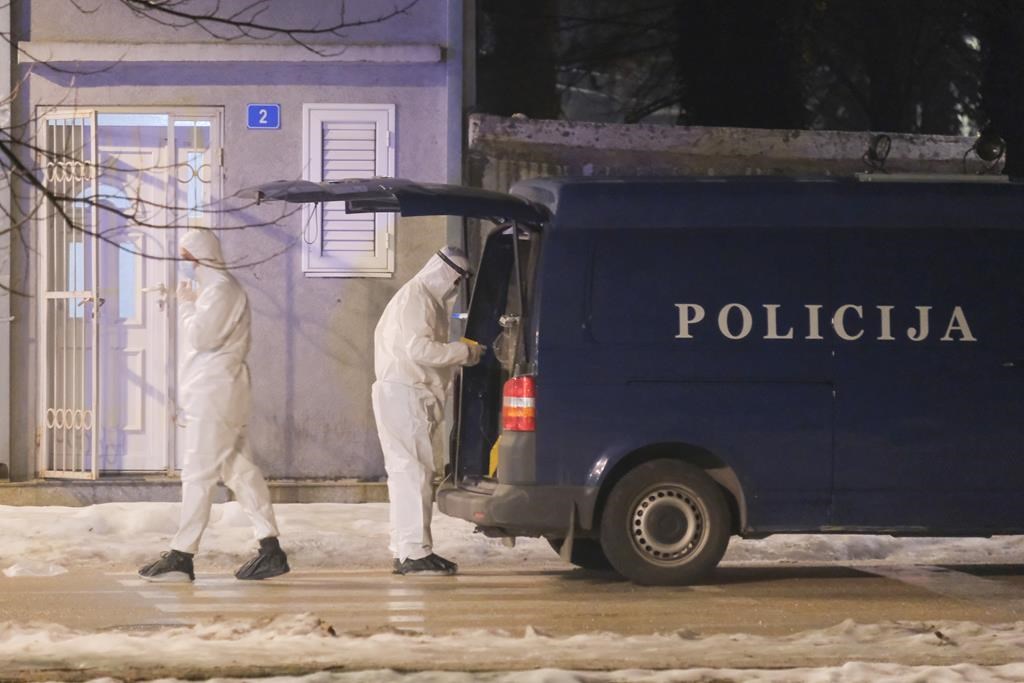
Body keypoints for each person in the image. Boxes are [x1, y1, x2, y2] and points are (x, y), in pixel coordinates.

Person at [139, 229, 289, 583]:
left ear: (200, 256)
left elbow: (202, 338)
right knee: (238, 469)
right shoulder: (216, 289)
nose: (185, 263)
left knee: (198, 472)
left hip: (216, 391)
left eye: (187, 255)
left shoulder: (221, 290)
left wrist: (187, 305)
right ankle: (270, 549)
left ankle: (182, 554)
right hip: (215, 389)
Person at [372, 247, 484, 575]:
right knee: (414, 473)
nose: (456, 287)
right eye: (457, 280)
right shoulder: (417, 298)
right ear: (447, 274)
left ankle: (408, 548)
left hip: (402, 393)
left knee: (408, 473)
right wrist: (464, 352)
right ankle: (415, 553)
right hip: (407, 394)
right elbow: (418, 349)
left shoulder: (417, 297)